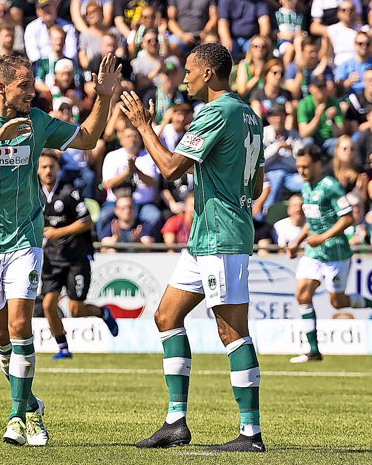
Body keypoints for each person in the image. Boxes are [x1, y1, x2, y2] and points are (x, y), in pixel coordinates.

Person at [0, 53, 121, 447]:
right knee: (1, 334)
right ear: (1, 86)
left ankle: (14, 417)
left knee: (22, 324)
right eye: (24, 85)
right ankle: (30, 407)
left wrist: (104, 98)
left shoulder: (37, 121)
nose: (32, 91)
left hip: (25, 238)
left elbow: (89, 139)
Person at [119, 43, 266, 452]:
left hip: (221, 237)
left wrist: (144, 125)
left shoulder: (216, 112)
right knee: (167, 316)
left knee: (232, 331)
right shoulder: (250, 116)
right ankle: (175, 422)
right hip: (205, 237)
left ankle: (250, 434)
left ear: (208, 73)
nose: (184, 78)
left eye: (189, 71)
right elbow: (256, 185)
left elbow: (169, 169)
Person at [287, 145, 372, 364]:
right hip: (314, 251)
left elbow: (347, 218)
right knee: (302, 294)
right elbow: (313, 219)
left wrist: (322, 237)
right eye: (298, 167)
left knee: (337, 301)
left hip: (335, 252)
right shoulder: (306, 187)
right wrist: (297, 240)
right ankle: (313, 350)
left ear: (317, 164)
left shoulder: (330, 186)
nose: (301, 172)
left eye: (305, 167)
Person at [37, 149, 120, 360]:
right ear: (37, 170)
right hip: (52, 258)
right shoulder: (34, 194)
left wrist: (58, 232)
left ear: (58, 168)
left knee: (76, 309)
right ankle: (63, 347)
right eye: (44, 167)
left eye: (51, 167)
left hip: (76, 257)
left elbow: (87, 221)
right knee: (48, 304)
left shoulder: (69, 192)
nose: (48, 171)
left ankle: (103, 313)